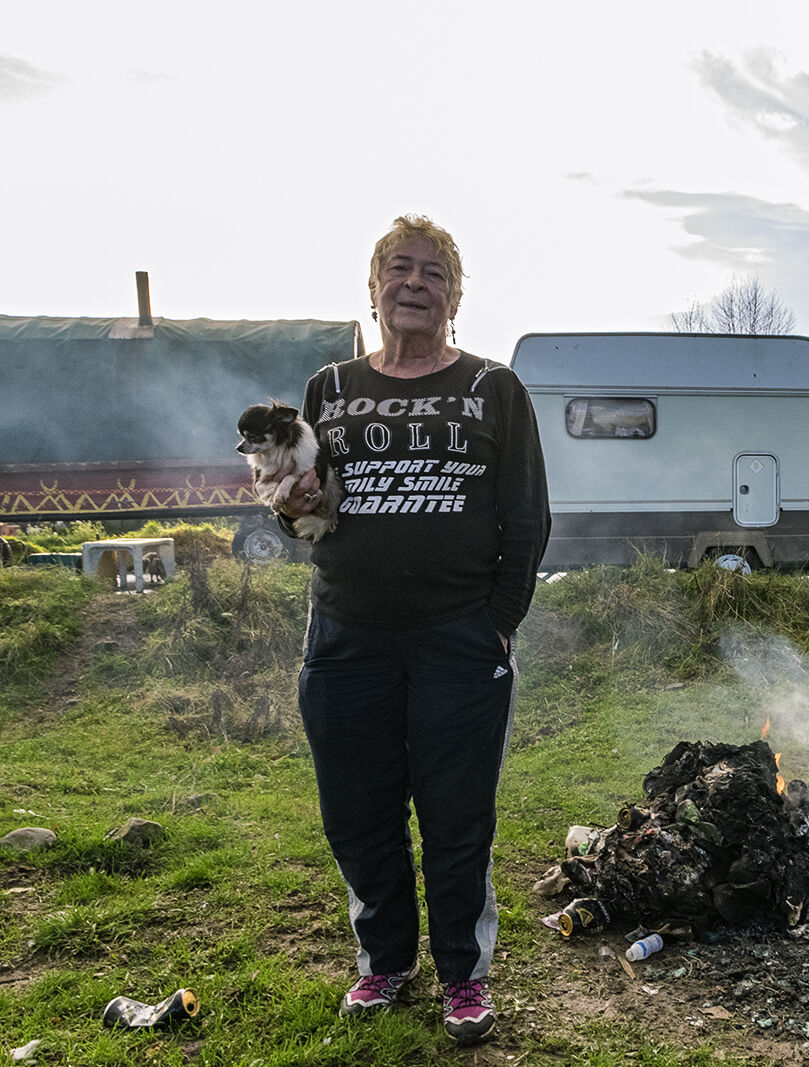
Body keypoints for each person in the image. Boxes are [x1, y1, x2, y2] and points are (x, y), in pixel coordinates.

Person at [273, 214, 550, 1046]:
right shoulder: (330, 387)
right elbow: (305, 504)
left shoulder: (494, 388)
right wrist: (292, 510)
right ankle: (385, 961)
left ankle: (464, 976)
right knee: (357, 811)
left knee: (457, 813)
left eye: (434, 272)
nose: (415, 283)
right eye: (400, 268)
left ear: (454, 295)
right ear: (374, 286)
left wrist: (497, 625)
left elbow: (527, 516)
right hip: (348, 636)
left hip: (458, 639)